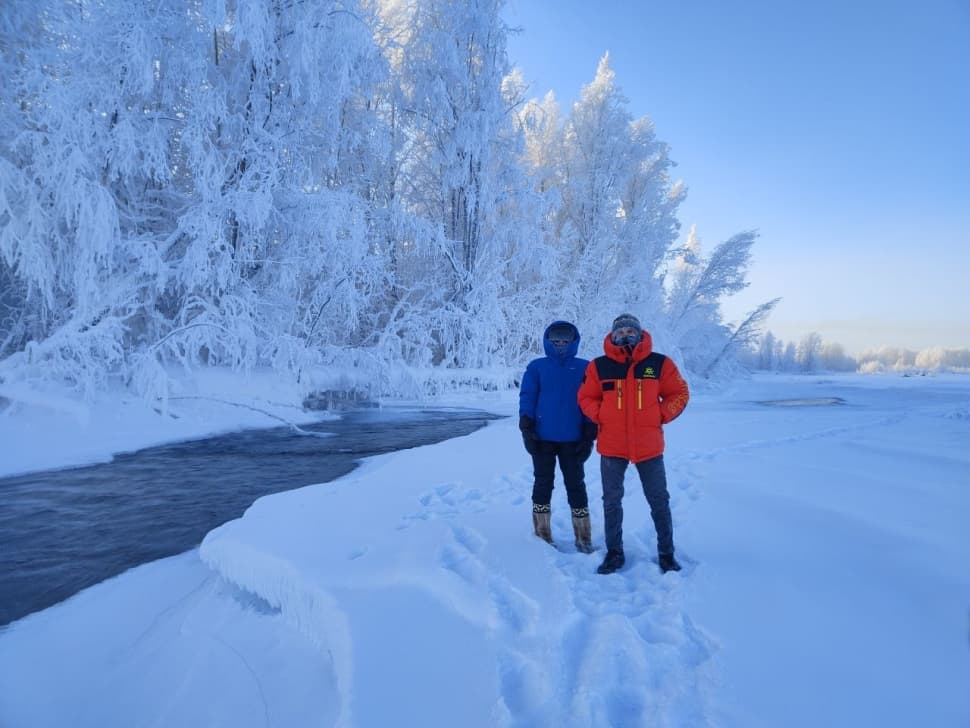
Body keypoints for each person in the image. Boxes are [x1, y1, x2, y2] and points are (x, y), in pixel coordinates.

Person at [578, 313, 690, 574]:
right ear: (612, 336)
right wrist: (601, 414)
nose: (625, 336)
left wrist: (661, 414)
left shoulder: (659, 364)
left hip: (648, 446)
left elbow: (680, 393)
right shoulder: (599, 366)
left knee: (659, 500)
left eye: (630, 331)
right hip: (612, 445)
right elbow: (585, 397)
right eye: (619, 332)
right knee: (611, 502)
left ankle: (666, 554)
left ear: (640, 334)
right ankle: (614, 553)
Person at [519, 320, 598, 553]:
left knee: (576, 485)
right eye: (556, 340)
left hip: (574, 439)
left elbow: (592, 399)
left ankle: (583, 537)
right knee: (543, 483)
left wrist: (589, 431)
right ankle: (542, 534)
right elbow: (527, 396)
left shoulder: (586, 367)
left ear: (574, 342)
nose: (561, 344)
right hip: (542, 438)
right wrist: (526, 425)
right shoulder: (537, 367)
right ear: (548, 341)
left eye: (565, 340)